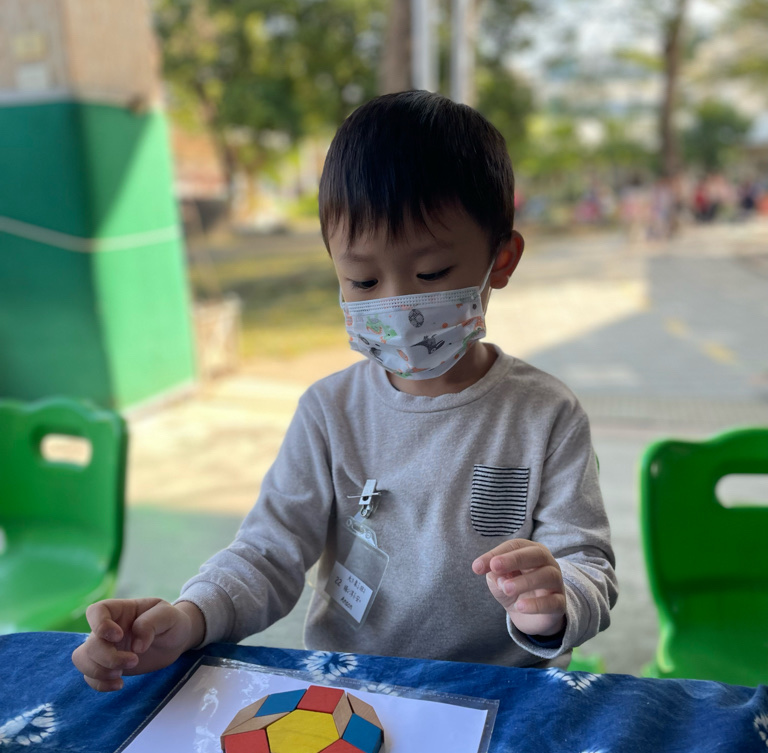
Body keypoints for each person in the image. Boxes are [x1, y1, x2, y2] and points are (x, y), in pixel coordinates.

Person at [73, 91, 618, 692]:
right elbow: (268, 553)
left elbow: (586, 562)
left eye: (431, 273)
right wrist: (188, 617)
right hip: (355, 689)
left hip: (501, 690)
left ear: (503, 259)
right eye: (362, 279)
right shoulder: (329, 412)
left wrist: (554, 603)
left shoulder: (546, 414)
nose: (397, 302)